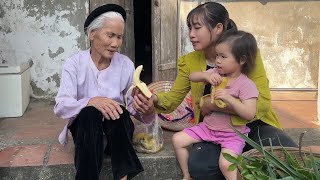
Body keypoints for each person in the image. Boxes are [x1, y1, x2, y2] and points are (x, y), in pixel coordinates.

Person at [133, 2, 297, 180]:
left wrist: (211, 104)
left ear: (218, 28)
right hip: (213, 127)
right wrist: (152, 98)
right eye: (189, 28)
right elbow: (172, 99)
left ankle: (236, 164)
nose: (191, 35)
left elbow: (262, 103)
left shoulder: (246, 55)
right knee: (200, 168)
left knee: (286, 151)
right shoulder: (189, 62)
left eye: (197, 28)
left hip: (252, 124)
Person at [54, 4, 154, 180]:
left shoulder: (125, 65)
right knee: (90, 113)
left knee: (119, 111)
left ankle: (123, 177)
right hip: (86, 135)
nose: (116, 43)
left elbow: (133, 107)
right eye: (110, 35)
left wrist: (145, 108)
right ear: (92, 34)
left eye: (120, 37)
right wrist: (92, 101)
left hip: (117, 135)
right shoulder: (74, 64)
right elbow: (61, 106)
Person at [173, 30, 259, 180]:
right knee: (177, 140)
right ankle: (187, 175)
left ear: (241, 60)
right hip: (208, 128)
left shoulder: (246, 85)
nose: (217, 60)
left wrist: (230, 99)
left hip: (231, 134)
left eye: (223, 56)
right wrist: (205, 75)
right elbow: (192, 76)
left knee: (226, 164)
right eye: (217, 55)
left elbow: (249, 113)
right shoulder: (216, 74)